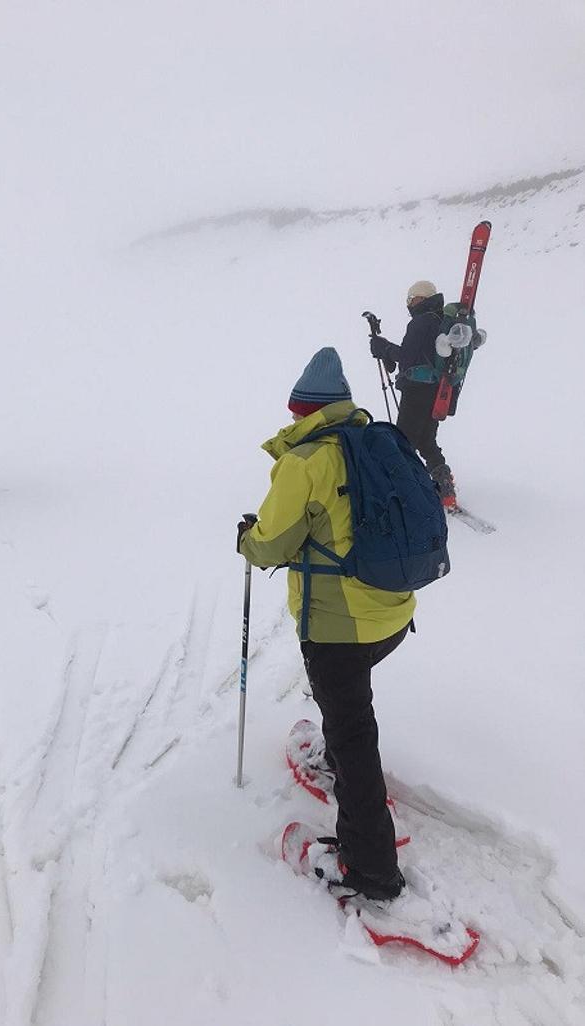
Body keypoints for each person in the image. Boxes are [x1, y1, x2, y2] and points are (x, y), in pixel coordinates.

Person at [237, 347, 414, 901]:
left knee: (352, 728)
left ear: (307, 412)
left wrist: (247, 538)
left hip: (340, 627)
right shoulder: (375, 444)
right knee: (349, 715)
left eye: (297, 413)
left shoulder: (306, 461)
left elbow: (270, 545)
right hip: (394, 612)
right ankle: (338, 756)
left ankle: (371, 869)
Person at [368, 280, 457, 507]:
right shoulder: (441, 321)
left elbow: (407, 358)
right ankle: (444, 485)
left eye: (412, 299)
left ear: (421, 298)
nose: (409, 304)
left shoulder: (421, 321)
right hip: (439, 392)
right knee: (427, 440)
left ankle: (405, 490)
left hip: (418, 391)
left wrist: (385, 348)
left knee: (402, 442)